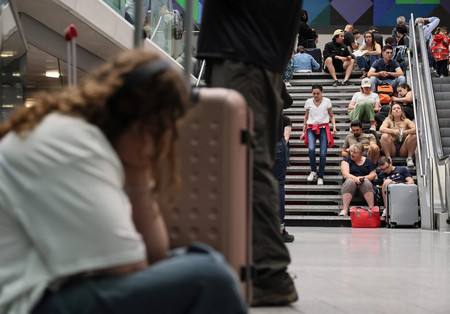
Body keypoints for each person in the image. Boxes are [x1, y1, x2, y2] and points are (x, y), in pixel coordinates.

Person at [0, 49, 247, 314]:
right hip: (28, 304)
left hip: (45, 292)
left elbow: (154, 255)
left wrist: (139, 173)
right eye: (155, 130)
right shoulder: (72, 142)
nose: (161, 145)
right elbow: (130, 266)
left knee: (197, 260)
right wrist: (139, 169)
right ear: (127, 114)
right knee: (209, 277)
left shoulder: (84, 137)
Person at [196, 0, 302, 306]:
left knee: (245, 163)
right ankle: (255, 265)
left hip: (245, 54)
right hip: (248, 53)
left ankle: (268, 272)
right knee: (242, 163)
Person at [300, 84, 337, 185]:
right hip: (311, 127)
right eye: (314, 94)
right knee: (311, 149)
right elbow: (306, 117)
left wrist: (333, 127)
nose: (316, 95)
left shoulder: (327, 101)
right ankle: (313, 171)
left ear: (322, 92)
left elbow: (331, 115)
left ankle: (320, 175)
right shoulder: (308, 102)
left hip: (323, 127)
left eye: (318, 93)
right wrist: (303, 131)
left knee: (323, 153)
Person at [339, 143, 377, 216]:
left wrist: (362, 178)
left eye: (355, 153)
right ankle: (345, 209)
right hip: (351, 185)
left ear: (361, 153)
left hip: (363, 186)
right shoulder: (346, 161)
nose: (352, 154)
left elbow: (373, 175)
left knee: (365, 181)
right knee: (349, 181)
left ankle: (372, 209)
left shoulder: (368, 161)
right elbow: (345, 174)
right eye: (351, 151)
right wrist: (356, 179)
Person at [273, 114, 294, 243]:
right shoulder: (283, 118)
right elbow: (286, 137)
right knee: (279, 185)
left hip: (259, 146)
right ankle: (280, 230)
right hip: (276, 145)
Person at [379, 103, 417, 167]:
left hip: (403, 147)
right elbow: (381, 129)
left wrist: (406, 132)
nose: (396, 110)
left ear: (402, 111)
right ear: (391, 112)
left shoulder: (406, 120)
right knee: (385, 135)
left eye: (398, 108)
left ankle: (409, 158)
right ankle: (388, 158)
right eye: (394, 109)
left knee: (413, 135)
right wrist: (394, 131)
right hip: (391, 147)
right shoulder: (388, 120)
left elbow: (416, 129)